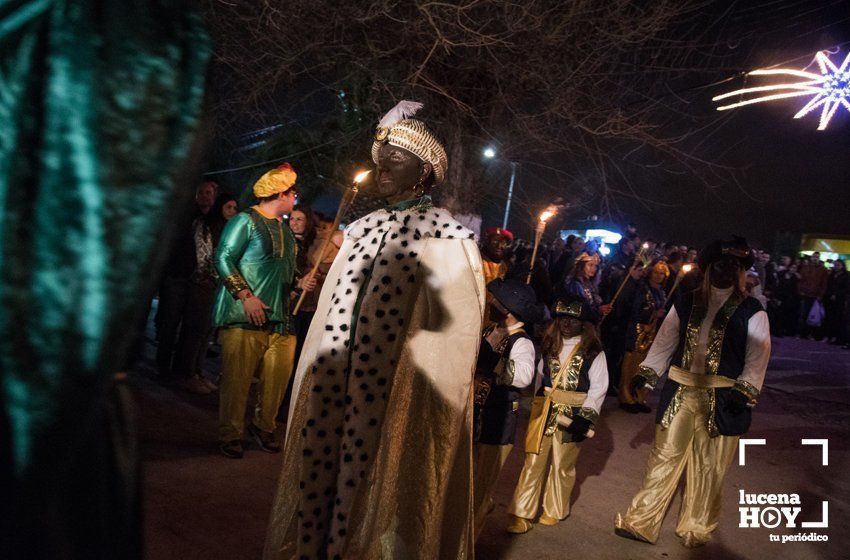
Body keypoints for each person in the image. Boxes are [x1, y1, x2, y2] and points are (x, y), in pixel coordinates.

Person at [264, 101, 485, 560]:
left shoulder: (449, 239)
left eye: (396, 160)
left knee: (383, 488)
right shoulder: (362, 229)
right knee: (321, 476)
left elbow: (451, 339)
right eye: (380, 159)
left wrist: (412, 386)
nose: (382, 166)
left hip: (396, 395)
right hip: (335, 386)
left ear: (424, 172)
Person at [615, 237, 771, 548]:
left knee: (710, 466)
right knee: (663, 457)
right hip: (680, 392)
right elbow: (665, 340)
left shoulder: (752, 310)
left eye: (734, 266)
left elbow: (758, 354)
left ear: (741, 272)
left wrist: (746, 388)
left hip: (723, 398)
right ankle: (641, 521)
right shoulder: (686, 301)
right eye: (721, 264)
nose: (727, 270)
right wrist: (645, 374)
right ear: (709, 267)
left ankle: (696, 526)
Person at [213, 164, 314, 459]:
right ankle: (231, 433)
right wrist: (246, 296)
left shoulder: (284, 231)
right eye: (292, 191)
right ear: (279, 194)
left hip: (281, 319)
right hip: (244, 314)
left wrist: (300, 282)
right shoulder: (245, 220)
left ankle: (264, 426)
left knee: (277, 379)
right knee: (237, 380)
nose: (295, 196)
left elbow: (287, 275)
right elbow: (222, 258)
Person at [506, 295, 608, 534]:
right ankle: (521, 512)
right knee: (533, 461)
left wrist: (585, 417)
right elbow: (541, 378)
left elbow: (599, 386)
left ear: (585, 323)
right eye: (563, 318)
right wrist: (536, 402)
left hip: (572, 414)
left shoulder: (593, 352)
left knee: (562, 464)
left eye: (573, 320)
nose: (567, 324)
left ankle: (553, 509)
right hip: (545, 411)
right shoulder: (549, 345)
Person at [472, 279, 541, 536]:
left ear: (508, 313)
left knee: (481, 486)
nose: (490, 306)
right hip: (477, 417)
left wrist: (494, 365)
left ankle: (470, 539)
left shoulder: (521, 341)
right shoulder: (491, 330)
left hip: (497, 423)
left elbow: (524, 376)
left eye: (495, 304)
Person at [173, 192, 238, 394]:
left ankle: (197, 371)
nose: (233, 212)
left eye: (235, 208)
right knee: (194, 329)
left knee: (206, 331)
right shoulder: (208, 226)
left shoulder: (229, 229)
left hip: (216, 286)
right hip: (202, 284)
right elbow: (205, 257)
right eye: (229, 207)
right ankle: (185, 373)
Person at [156, 180, 218, 380]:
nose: (205, 196)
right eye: (201, 192)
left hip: (199, 283)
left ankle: (181, 369)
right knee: (170, 323)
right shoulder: (185, 218)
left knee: (191, 328)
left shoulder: (215, 222)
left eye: (209, 192)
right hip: (178, 278)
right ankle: (162, 367)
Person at [619, 260, 668, 413]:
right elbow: (634, 309)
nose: (659, 276)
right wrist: (653, 313)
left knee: (645, 365)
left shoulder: (660, 291)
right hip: (638, 331)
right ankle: (627, 398)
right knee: (631, 364)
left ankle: (639, 397)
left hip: (651, 333)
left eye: (662, 273)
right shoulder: (642, 289)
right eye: (656, 272)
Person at [797, 252, 828, 338]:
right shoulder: (805, 268)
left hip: (815, 296)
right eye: (814, 257)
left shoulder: (823, 270)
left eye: (817, 257)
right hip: (805, 294)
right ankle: (802, 333)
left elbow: (824, 284)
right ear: (811, 257)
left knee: (813, 315)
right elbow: (801, 280)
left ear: (819, 258)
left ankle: (810, 333)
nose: (815, 258)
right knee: (803, 314)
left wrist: (820, 295)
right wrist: (800, 290)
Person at [824, 259, 848, 344]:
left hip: (840, 300)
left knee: (838, 319)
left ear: (842, 266)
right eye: (836, 265)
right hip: (830, 299)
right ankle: (829, 336)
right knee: (829, 318)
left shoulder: (846, 275)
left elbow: (846, 288)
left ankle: (836, 337)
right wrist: (830, 294)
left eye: (838, 265)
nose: (837, 267)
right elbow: (829, 285)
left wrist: (837, 295)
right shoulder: (832, 274)